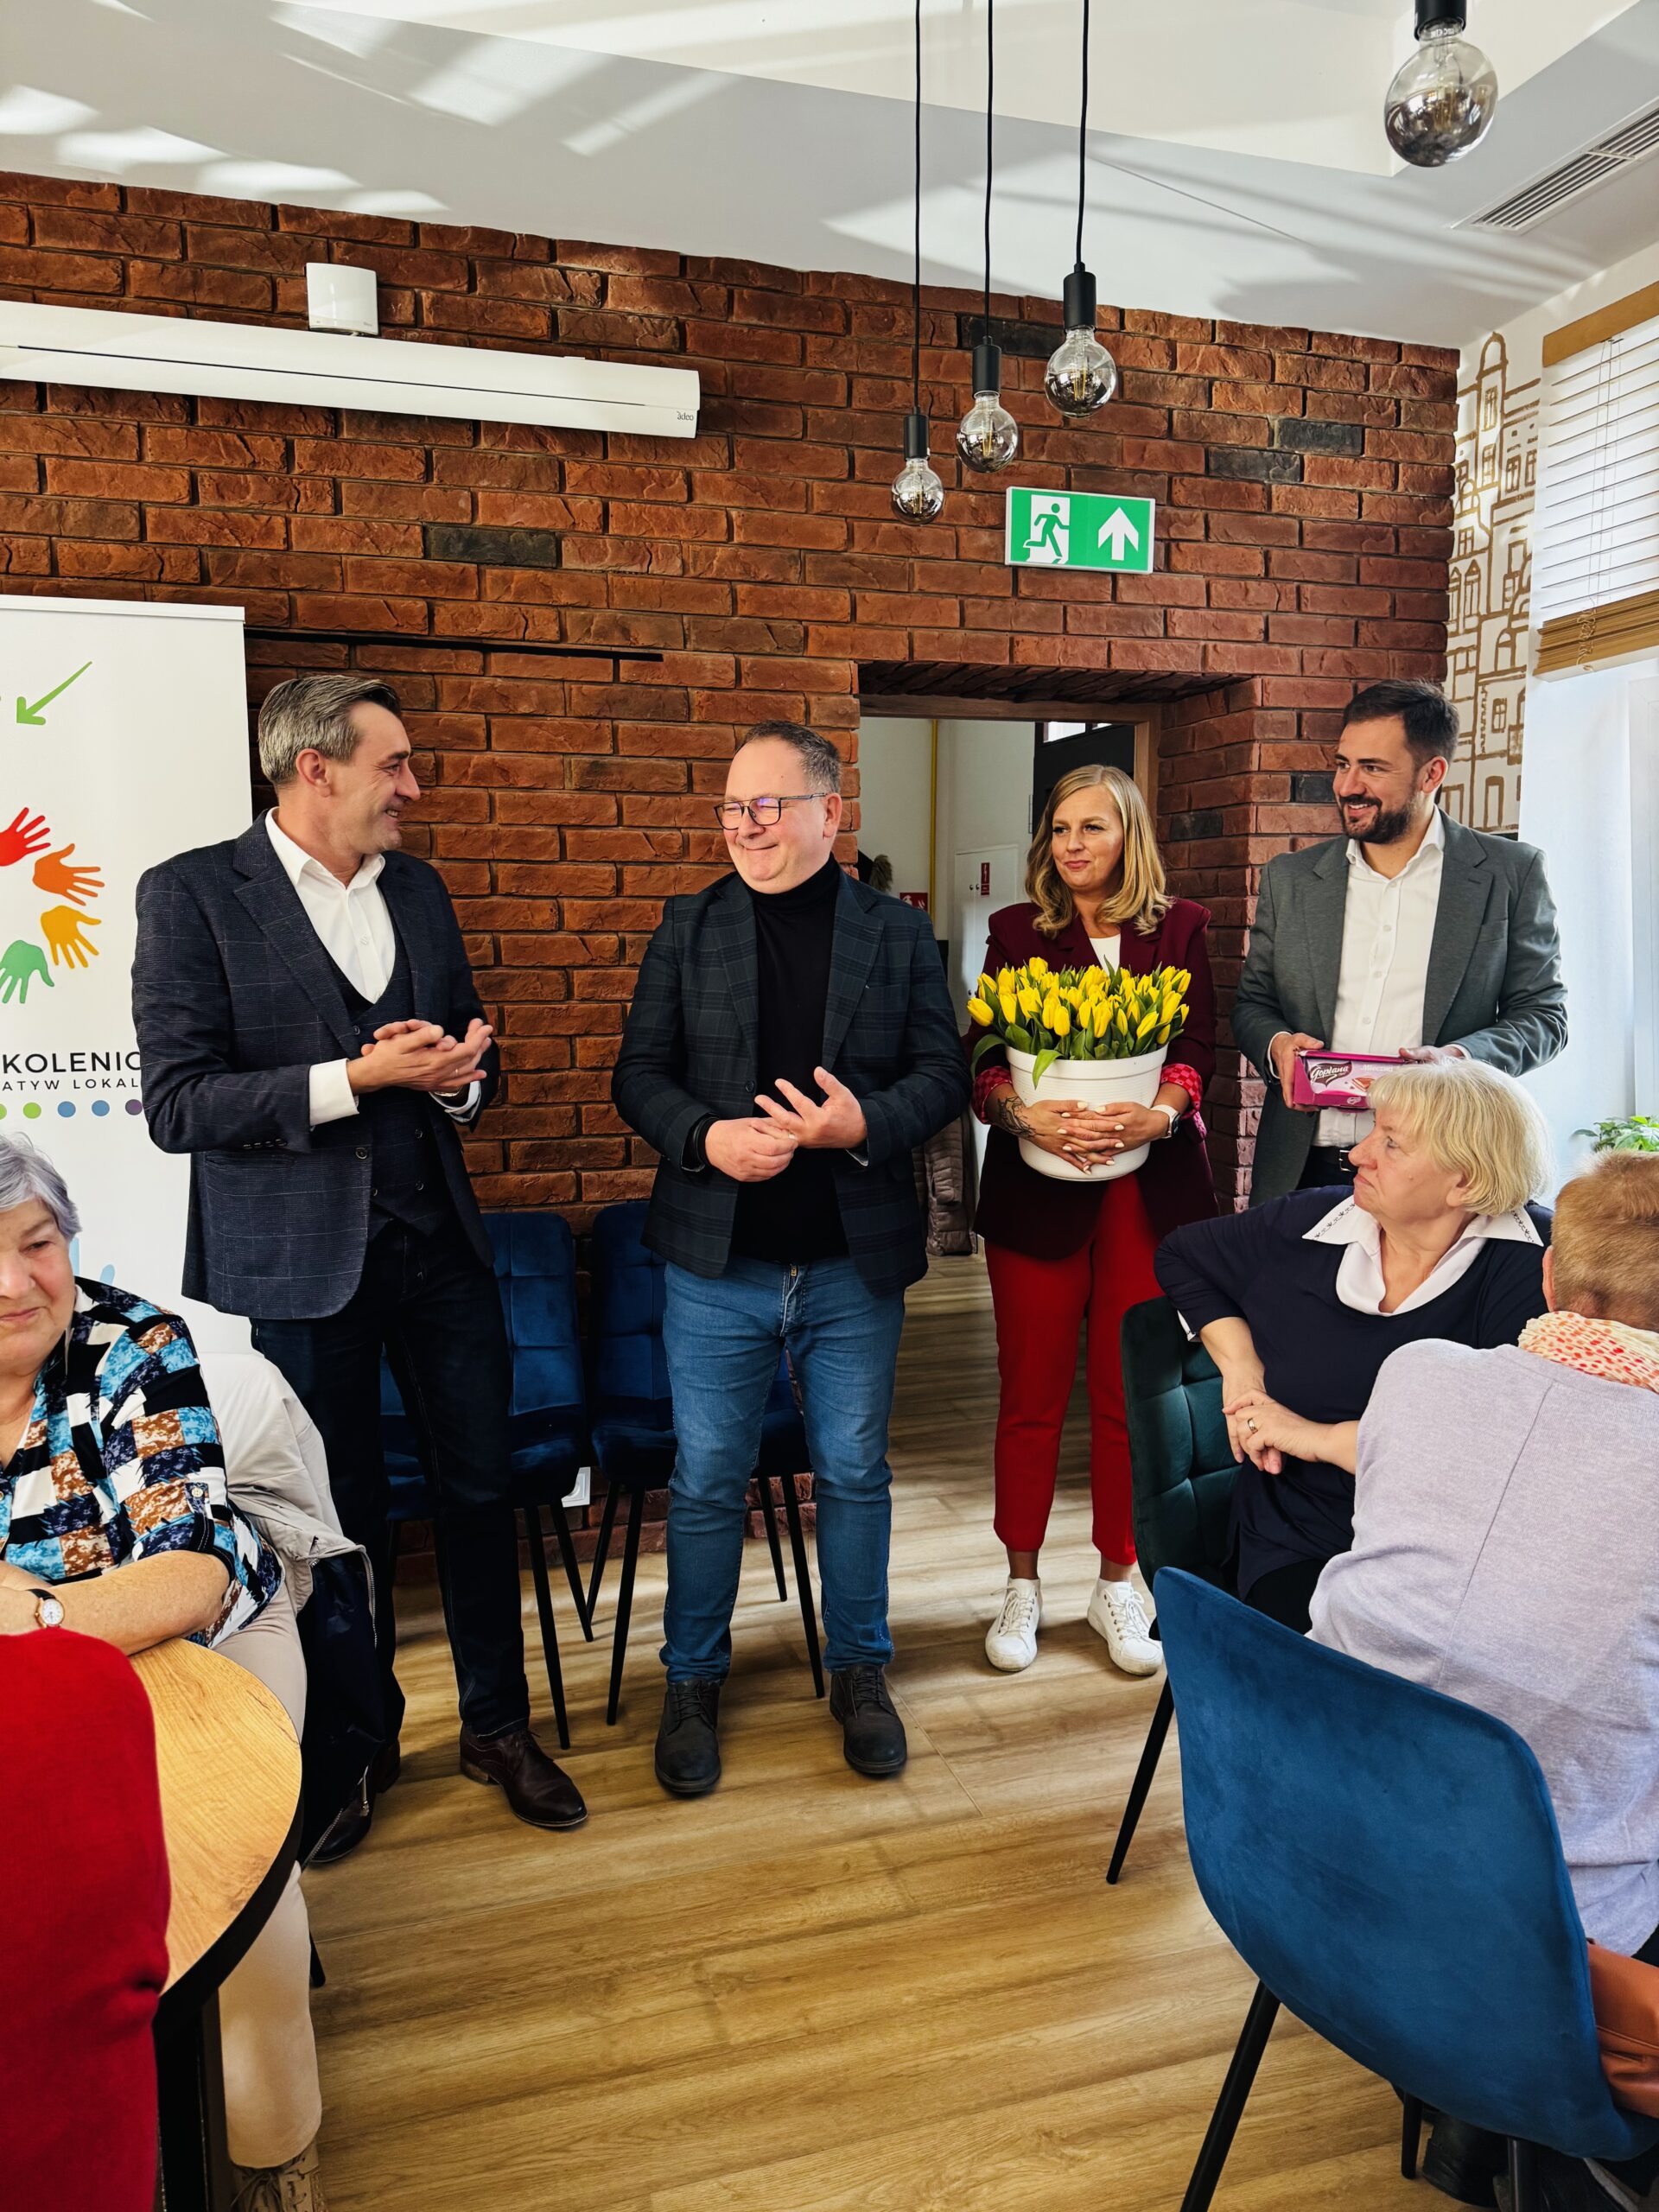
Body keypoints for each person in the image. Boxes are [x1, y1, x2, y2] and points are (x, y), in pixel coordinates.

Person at [132, 671, 584, 1859]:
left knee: (480, 1491)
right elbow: (178, 1104)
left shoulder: (420, 891)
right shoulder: (192, 894)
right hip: (300, 1266)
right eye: (395, 764)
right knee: (339, 1520)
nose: (413, 789)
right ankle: (356, 1747)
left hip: (441, 1248)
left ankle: (495, 1727)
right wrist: (358, 1080)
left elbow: (472, 1060)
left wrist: (462, 1078)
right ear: (314, 767)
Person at [612, 719, 968, 1798]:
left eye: (767, 805)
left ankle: (861, 1670)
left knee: (854, 1474)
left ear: (829, 812)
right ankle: (692, 1680)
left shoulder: (895, 935)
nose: (746, 826)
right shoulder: (688, 926)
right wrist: (704, 1137)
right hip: (716, 1265)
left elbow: (942, 1075)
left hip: (852, 1264)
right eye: (733, 807)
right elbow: (639, 1074)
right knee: (707, 1479)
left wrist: (863, 1125)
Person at [1312, 1154, 1659, 2212]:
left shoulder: (1418, 1373)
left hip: (1319, 1863)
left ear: (1549, 1276)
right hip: (1559, 1934)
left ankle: (1481, 2122)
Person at [0, 1138, 326, 2210]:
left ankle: (278, 2162)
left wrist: (37, 1614)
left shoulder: (132, 1344)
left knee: (239, 1900)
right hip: (41, 1681)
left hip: (205, 1643)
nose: (15, 1283)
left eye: (37, 1243)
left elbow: (189, 1573)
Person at [1154, 1060, 1551, 1632]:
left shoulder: (1540, 1266)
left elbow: (1491, 1456)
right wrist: (1241, 1368)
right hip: (1305, 1536)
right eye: (1372, 1131)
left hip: (1461, 1554)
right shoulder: (1311, 1220)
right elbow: (1182, 1257)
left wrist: (1316, 1439)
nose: (1358, 1154)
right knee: (1345, 1666)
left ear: (1463, 1182)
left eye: (1391, 1143)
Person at [969, 763, 1217, 1677]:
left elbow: (1197, 1044)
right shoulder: (1015, 931)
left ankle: (1118, 1580)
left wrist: (1162, 1114)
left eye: (1094, 827)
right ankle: (1021, 1582)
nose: (1073, 844)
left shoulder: (1181, 928)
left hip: (1149, 1194)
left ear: (1129, 837)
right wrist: (1020, 1116)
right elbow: (983, 1055)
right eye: (1061, 828)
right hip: (1038, 1190)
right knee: (1030, 1395)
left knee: (1130, 1397)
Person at [1233, 678, 1567, 1205]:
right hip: (1300, 1167)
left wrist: (1458, 1061)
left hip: (1437, 1170)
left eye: (1373, 768)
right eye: (1343, 764)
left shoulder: (1511, 874)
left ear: (1432, 773)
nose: (1347, 786)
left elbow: (1544, 1017)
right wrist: (1277, 1046)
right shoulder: (1290, 879)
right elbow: (1254, 1004)